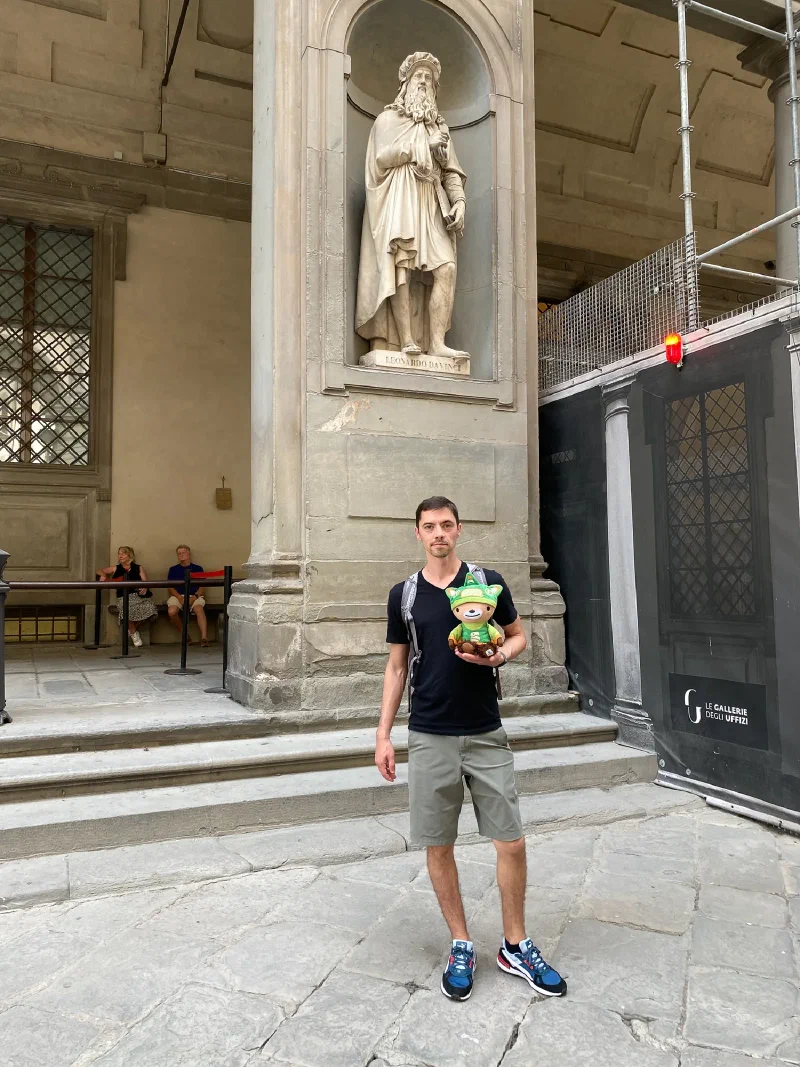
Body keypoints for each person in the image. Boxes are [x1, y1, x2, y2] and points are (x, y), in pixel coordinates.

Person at [375, 496, 568, 1003]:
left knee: (512, 841)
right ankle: (461, 942)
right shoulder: (406, 595)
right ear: (417, 533)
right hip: (430, 732)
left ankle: (514, 943)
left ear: (458, 530)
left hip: (485, 730)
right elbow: (397, 667)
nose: (438, 533)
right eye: (429, 526)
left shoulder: (488, 582)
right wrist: (382, 735)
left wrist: (500, 655)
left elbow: (518, 636)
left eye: (446, 524)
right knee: (439, 844)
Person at [355, 51, 467, 358]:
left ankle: (437, 343)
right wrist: (421, 147)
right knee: (400, 265)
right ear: (405, 82)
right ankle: (405, 339)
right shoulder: (387, 120)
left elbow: (451, 172)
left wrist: (458, 200)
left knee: (447, 267)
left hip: (431, 200)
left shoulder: (438, 129)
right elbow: (381, 158)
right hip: (400, 196)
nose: (423, 82)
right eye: (419, 76)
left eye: (429, 78)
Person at [97, 546, 157, 648]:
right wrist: (103, 575)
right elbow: (99, 570)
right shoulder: (116, 568)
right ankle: (133, 632)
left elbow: (145, 581)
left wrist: (145, 587)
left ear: (130, 555)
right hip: (123, 597)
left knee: (152, 609)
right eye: (119, 553)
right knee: (127, 609)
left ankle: (132, 628)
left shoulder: (138, 568)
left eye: (123, 553)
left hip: (138, 596)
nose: (120, 556)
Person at [167, 544, 209, 647]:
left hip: (194, 595)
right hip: (178, 595)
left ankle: (204, 638)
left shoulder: (198, 568)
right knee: (172, 612)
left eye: (183, 553)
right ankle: (184, 635)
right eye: (179, 553)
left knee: (198, 609)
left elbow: (202, 586)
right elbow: (170, 586)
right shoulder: (173, 569)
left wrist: (194, 596)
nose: (181, 555)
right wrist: (179, 597)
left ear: (188, 553)